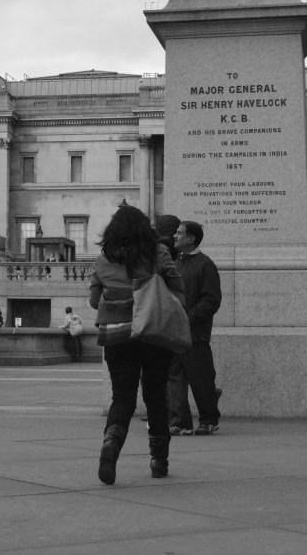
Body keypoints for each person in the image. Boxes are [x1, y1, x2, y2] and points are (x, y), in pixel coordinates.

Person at [90, 204, 185, 485]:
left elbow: (95, 301)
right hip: (154, 332)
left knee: (122, 398)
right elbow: (178, 288)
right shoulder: (158, 253)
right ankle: (159, 461)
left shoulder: (103, 259)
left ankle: (111, 443)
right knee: (156, 395)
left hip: (117, 334)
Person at [169, 220, 222, 435]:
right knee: (175, 380)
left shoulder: (205, 264)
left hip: (195, 333)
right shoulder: (175, 262)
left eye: (179, 233)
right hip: (174, 332)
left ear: (191, 238)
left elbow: (211, 300)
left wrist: (189, 318)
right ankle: (180, 422)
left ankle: (209, 420)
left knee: (201, 380)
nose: (175, 236)